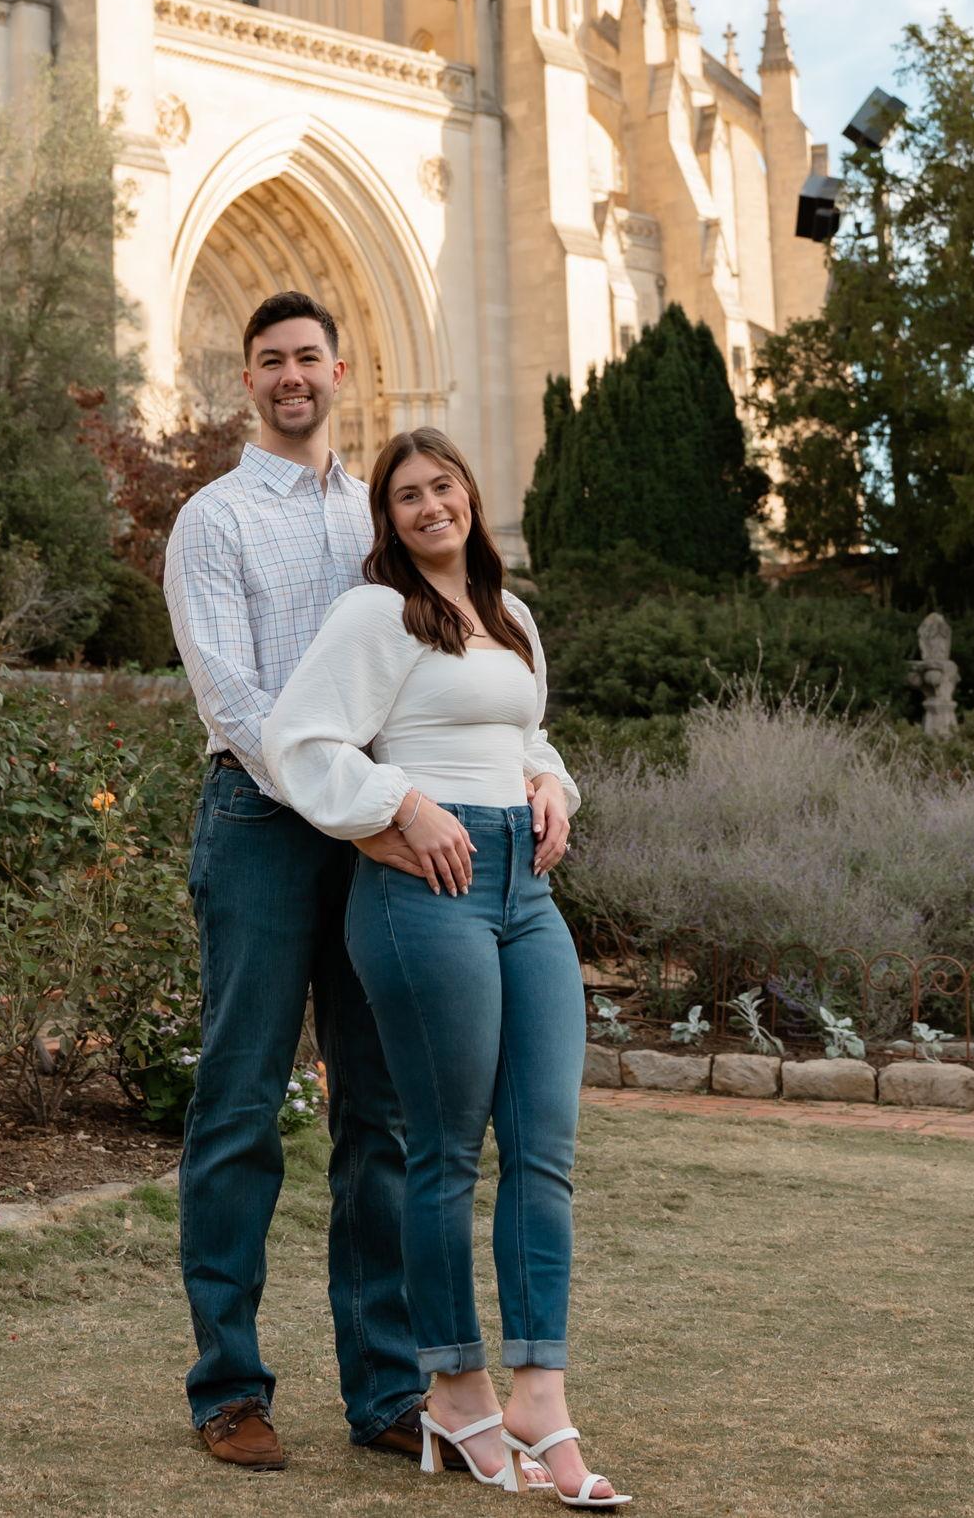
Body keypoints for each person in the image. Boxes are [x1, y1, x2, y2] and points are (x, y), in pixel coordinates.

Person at [263, 427, 629, 1508]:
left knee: (544, 1151)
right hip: (428, 890)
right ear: (388, 519)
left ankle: (540, 1398)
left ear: (470, 492)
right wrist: (399, 804)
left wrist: (552, 784)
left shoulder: (511, 617)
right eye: (407, 495)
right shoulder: (376, 613)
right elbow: (301, 740)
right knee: (444, 1155)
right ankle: (457, 1392)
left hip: (526, 891)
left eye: (443, 486)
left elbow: (525, 735)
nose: (431, 507)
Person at [162, 291, 439, 1471]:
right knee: (238, 1110)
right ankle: (228, 1390)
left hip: (373, 830)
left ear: (340, 370)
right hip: (263, 827)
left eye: (308, 357)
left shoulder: (379, 519)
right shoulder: (213, 521)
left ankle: (386, 1392)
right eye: (269, 359)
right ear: (248, 381)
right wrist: (358, 807)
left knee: (377, 1115)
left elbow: (433, 669)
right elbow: (234, 701)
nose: (291, 375)